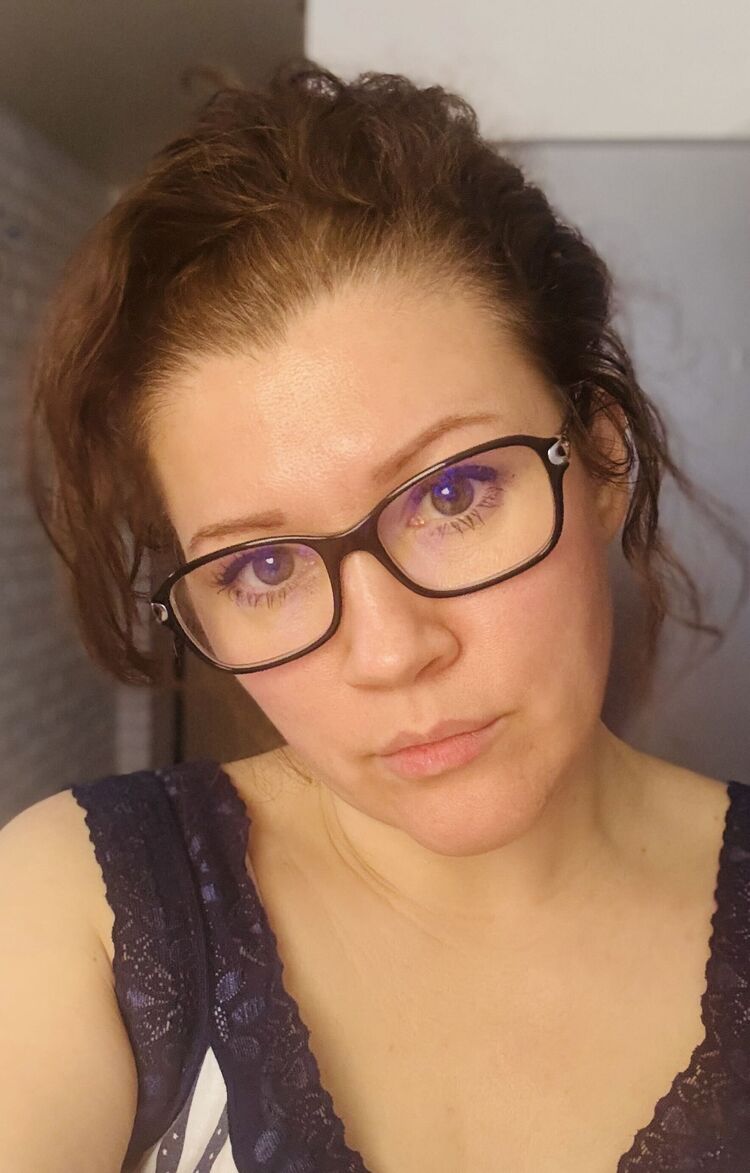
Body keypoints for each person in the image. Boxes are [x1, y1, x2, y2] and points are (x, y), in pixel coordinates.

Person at [1, 59, 748, 1173]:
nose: (393, 651)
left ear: (600, 457)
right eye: (263, 566)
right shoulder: (87, 913)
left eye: (453, 495)